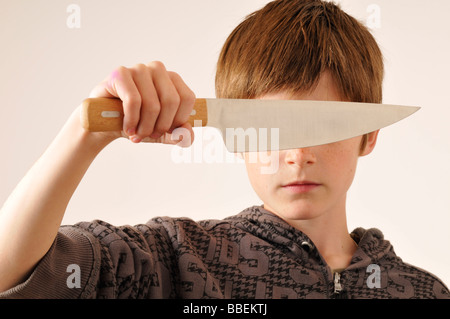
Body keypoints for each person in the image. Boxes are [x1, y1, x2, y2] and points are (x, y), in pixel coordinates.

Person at [0, 0, 448, 299]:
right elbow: (13, 276)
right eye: (269, 129)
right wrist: (84, 136)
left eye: (326, 126)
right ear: (236, 139)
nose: (296, 154)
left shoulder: (425, 293)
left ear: (369, 135)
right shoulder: (173, 258)